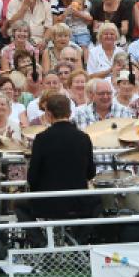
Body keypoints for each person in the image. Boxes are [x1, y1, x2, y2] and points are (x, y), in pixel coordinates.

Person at [24, 93, 96, 221]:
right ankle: (80, 233)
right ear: (69, 113)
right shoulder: (84, 138)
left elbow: (32, 177)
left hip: (47, 204)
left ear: (48, 114)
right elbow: (91, 173)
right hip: (78, 203)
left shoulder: (41, 139)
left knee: (19, 205)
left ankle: (38, 234)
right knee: (99, 202)